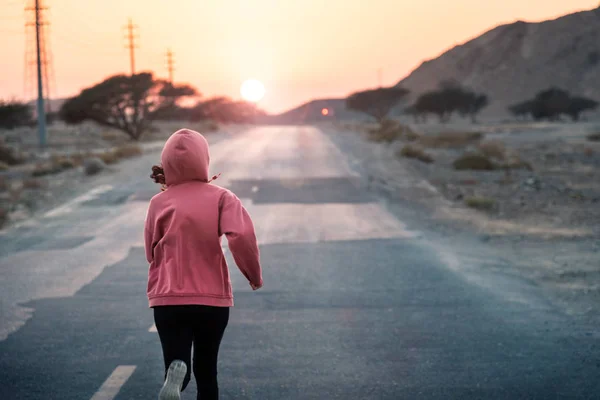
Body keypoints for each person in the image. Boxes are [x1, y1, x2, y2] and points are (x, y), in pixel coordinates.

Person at [144, 128, 263, 400]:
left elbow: (150, 250)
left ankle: (177, 374)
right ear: (203, 159)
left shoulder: (158, 202)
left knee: (177, 358)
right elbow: (241, 236)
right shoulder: (222, 197)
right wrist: (253, 275)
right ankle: (190, 378)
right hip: (211, 299)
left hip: (168, 298)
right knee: (207, 370)